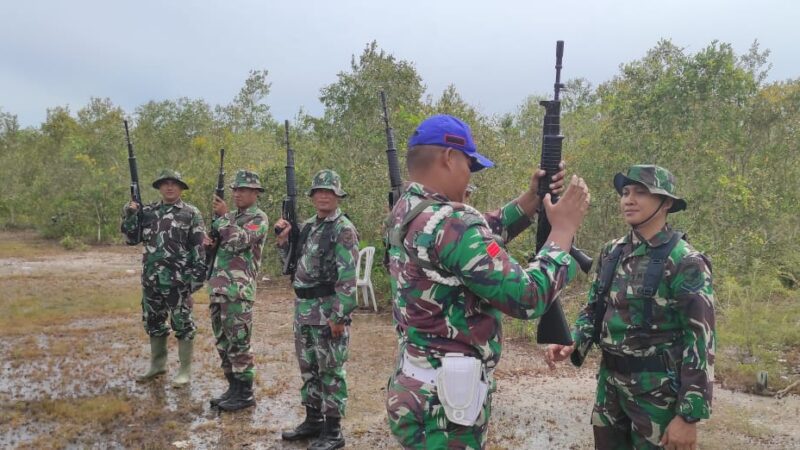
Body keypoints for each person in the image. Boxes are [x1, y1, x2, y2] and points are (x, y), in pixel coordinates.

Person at [384, 114, 590, 448]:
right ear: (450, 158)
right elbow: (527, 297)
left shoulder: (406, 210)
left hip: (416, 385)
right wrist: (563, 231)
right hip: (447, 407)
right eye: (469, 165)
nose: (469, 180)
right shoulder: (453, 222)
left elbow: (474, 236)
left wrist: (529, 201)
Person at [546, 165, 716, 450]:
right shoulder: (612, 251)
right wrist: (572, 340)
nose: (629, 199)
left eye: (641, 192)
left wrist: (689, 416)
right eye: (625, 192)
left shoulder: (686, 261)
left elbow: (700, 340)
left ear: (667, 203)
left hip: (657, 395)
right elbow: (594, 309)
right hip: (610, 389)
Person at [276, 169, 359, 450]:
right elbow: (291, 264)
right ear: (312, 196)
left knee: (331, 371)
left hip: (327, 310)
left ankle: (334, 431)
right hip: (304, 309)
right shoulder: (310, 226)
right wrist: (284, 241)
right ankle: (313, 421)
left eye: (329, 192)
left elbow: (348, 278)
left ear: (337, 196)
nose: (324, 196)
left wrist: (340, 316)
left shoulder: (343, 228)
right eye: (319, 191)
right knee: (309, 368)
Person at [121, 169, 205, 386]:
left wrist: (194, 282)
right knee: (154, 322)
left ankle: (184, 371)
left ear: (181, 188)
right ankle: (157, 366)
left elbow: (199, 249)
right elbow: (131, 239)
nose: (169, 187)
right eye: (165, 183)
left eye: (174, 184)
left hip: (179, 281)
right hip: (152, 280)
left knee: (183, 325)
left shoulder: (191, 213)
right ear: (159, 187)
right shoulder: (147, 212)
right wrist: (130, 214)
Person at [205, 169, 269, 411]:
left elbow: (238, 241)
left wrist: (223, 218)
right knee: (222, 342)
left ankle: (245, 393)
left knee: (239, 343)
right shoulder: (229, 216)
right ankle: (232, 388)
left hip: (238, 291)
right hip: (219, 288)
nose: (238, 194)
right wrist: (208, 243)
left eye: (243, 190)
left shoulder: (258, 218)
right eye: (236, 190)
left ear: (255, 193)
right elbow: (219, 247)